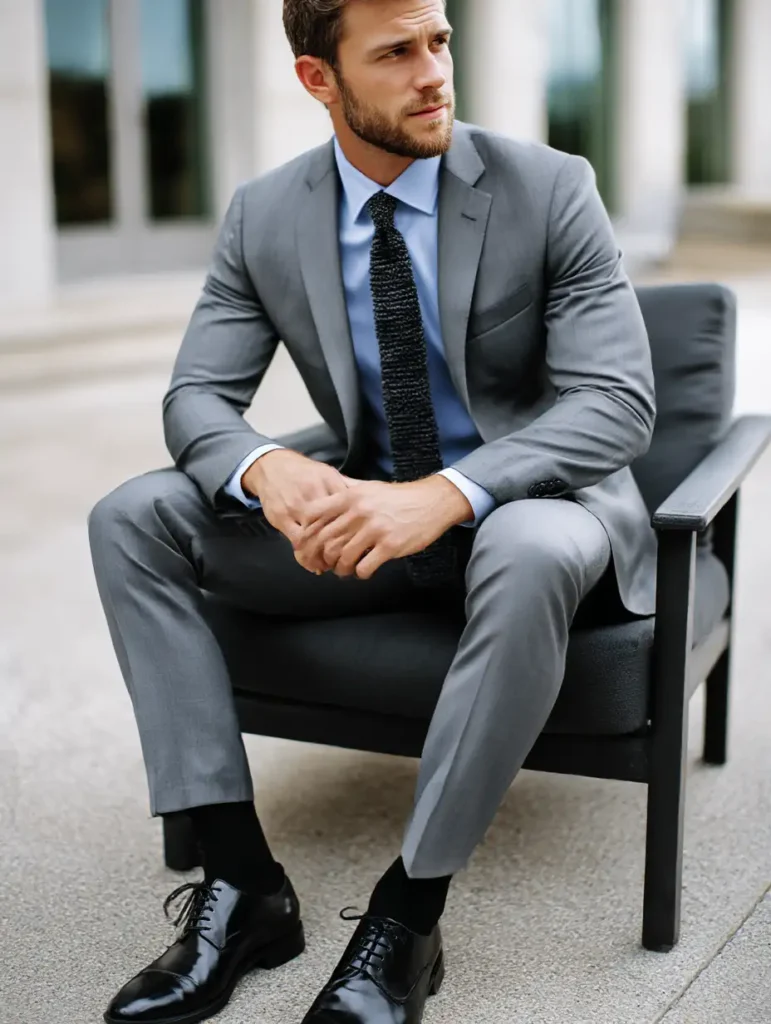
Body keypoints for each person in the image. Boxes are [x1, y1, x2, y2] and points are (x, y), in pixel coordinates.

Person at [88, 0, 659, 1021]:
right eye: (395, 52)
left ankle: (409, 912)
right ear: (321, 79)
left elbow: (616, 403)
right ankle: (241, 883)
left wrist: (445, 493)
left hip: (535, 509)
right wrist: (266, 466)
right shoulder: (264, 214)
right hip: (367, 525)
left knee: (525, 546)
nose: (434, 71)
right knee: (131, 515)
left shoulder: (550, 186)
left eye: (438, 40)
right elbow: (196, 397)